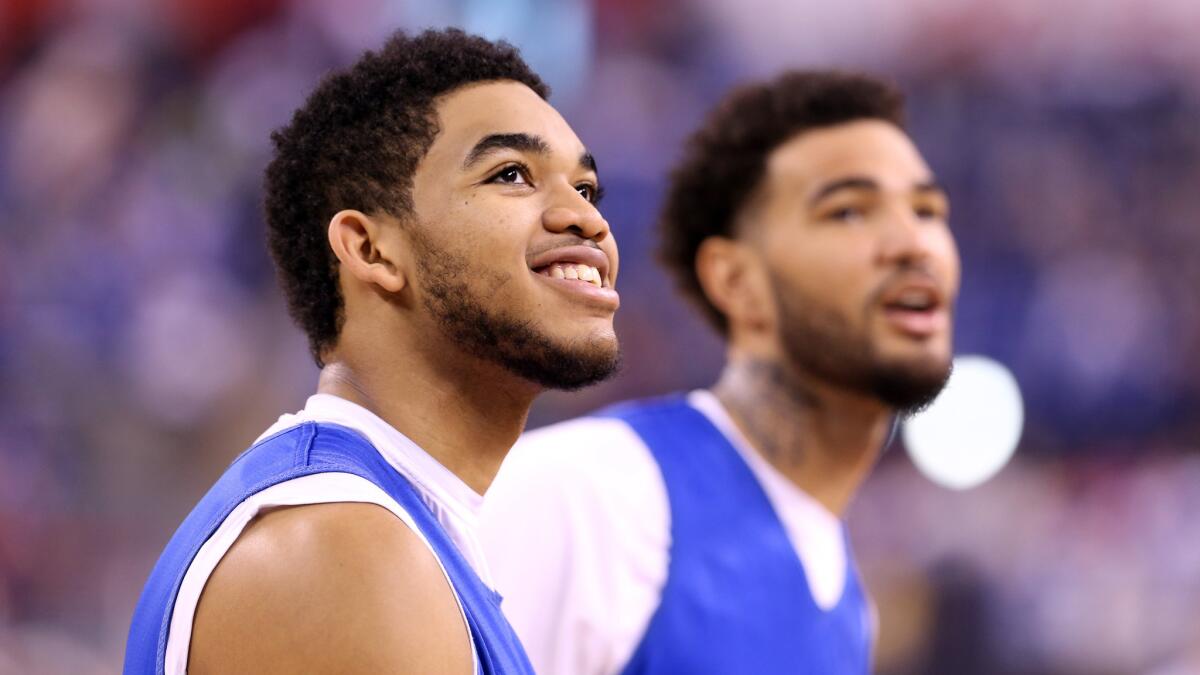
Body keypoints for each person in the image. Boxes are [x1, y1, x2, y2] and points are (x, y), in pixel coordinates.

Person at [124, 28, 619, 675]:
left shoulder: (396, 530)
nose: (588, 220)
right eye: (512, 174)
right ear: (370, 249)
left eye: (586, 188)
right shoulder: (340, 548)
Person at [480, 70, 960, 674]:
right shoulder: (591, 496)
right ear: (736, 280)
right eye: (848, 212)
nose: (913, 243)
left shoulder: (848, 602)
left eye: (927, 210)